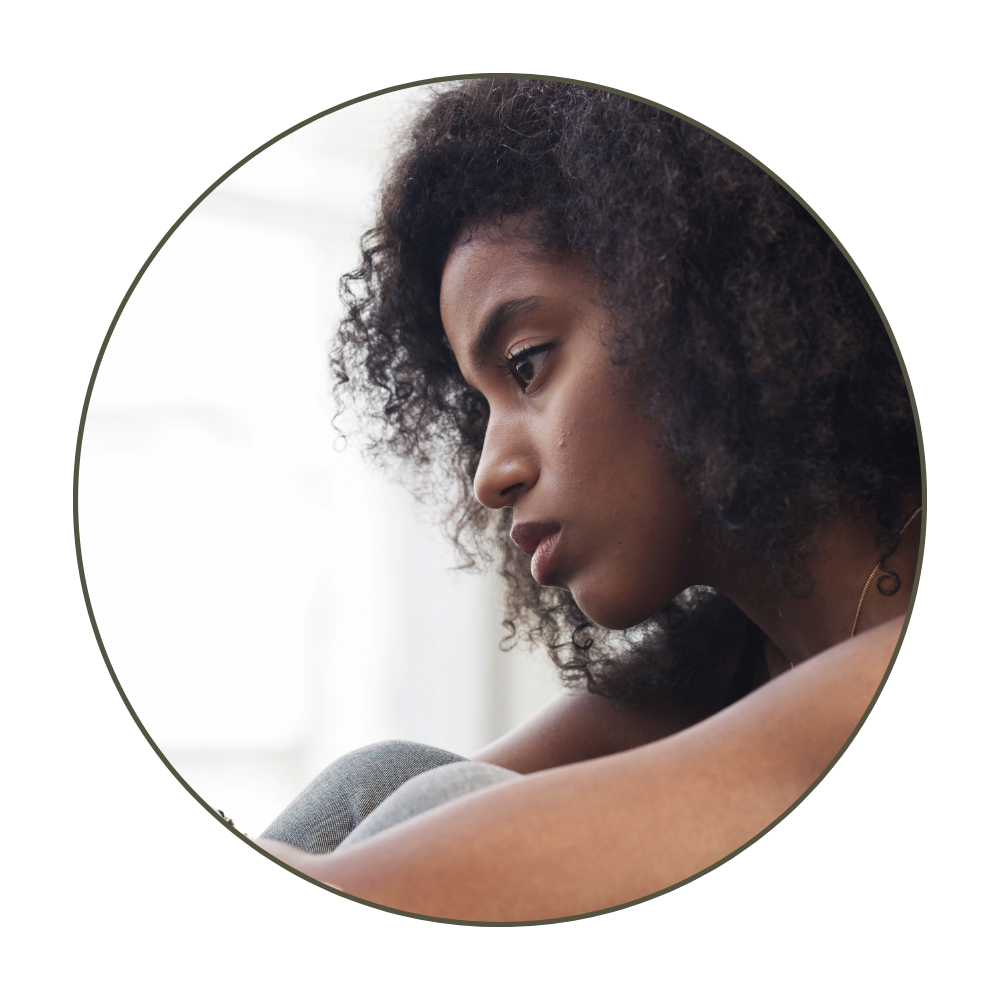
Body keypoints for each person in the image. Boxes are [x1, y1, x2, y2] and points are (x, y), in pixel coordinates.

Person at [254, 79, 921, 921]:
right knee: (388, 782)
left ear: (693, 299)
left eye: (526, 363)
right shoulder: (726, 662)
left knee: (443, 809)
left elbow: (392, 879)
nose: (488, 474)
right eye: (481, 403)